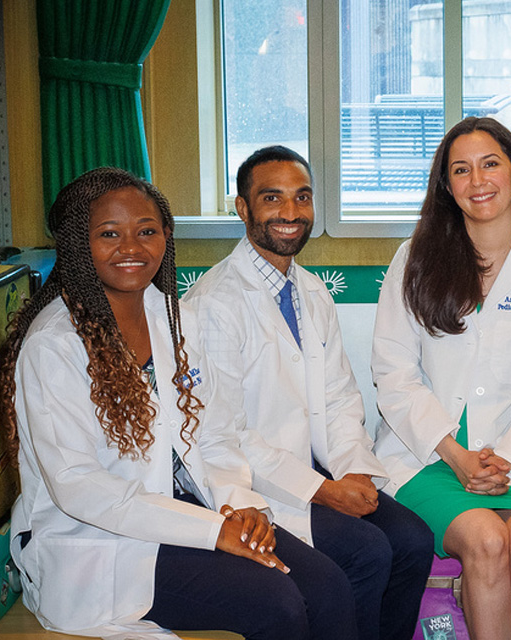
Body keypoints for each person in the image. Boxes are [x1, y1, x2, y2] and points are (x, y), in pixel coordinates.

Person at [0, 167, 356, 640]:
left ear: (166, 235)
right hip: (103, 541)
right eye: (109, 234)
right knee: (276, 603)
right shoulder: (55, 344)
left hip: (190, 509)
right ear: (77, 245)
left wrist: (240, 506)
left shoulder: (173, 316)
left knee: (328, 585)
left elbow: (215, 433)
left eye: (146, 231)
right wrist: (213, 532)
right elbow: (81, 488)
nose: (131, 247)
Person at [184, 146, 433, 640]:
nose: (291, 213)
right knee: (368, 552)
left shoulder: (312, 291)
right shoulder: (212, 304)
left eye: (302, 197)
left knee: (413, 540)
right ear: (242, 208)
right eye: (272, 198)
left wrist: (354, 471)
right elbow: (225, 435)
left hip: (322, 466)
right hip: (257, 485)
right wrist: (324, 491)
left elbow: (341, 397)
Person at [371, 116, 511, 640]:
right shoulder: (415, 258)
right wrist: (459, 457)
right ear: (447, 186)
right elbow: (395, 374)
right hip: (428, 455)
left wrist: (504, 458)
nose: (477, 180)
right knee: (486, 540)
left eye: (490, 164)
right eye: (460, 170)